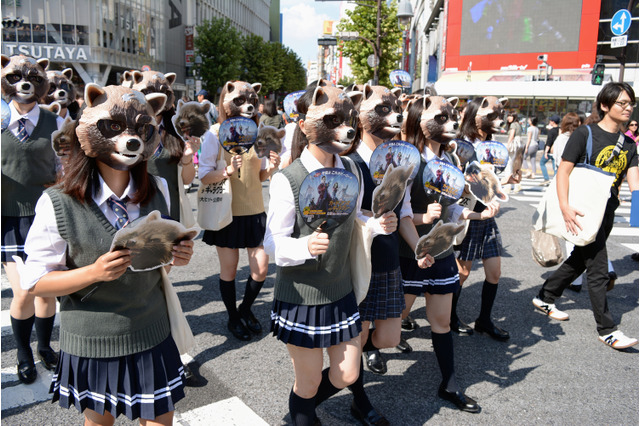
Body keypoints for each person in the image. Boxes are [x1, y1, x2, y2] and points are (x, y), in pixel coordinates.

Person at [19, 84, 195, 425]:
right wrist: (93, 273)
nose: (131, 139)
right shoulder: (58, 202)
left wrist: (175, 256)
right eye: (114, 127)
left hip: (151, 330)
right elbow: (36, 282)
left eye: (142, 129)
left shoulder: (157, 189)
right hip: (92, 340)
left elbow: (156, 267)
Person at [264, 85, 396, 425]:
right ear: (307, 126)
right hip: (302, 297)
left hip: (341, 289)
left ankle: (302, 409)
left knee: (347, 374)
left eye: (349, 120)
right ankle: (302, 411)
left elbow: (354, 219)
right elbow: (272, 242)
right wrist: (303, 247)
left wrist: (376, 223)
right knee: (307, 383)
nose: (347, 129)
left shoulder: (352, 170)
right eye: (333, 120)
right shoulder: (288, 179)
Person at [399, 96, 499, 414]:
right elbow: (394, 214)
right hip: (409, 251)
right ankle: (370, 349)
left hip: (440, 251)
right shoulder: (407, 159)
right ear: (419, 120)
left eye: (452, 117)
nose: (451, 123)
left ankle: (450, 384)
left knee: (441, 322)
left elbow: (456, 208)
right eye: (441, 117)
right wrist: (420, 235)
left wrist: (476, 215)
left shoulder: (452, 161)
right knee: (392, 325)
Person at [532, 82, 639, 350]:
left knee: (579, 259)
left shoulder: (629, 143)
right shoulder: (585, 134)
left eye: (631, 104)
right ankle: (607, 329)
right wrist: (565, 207)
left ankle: (546, 296)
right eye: (622, 103)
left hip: (607, 212)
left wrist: (637, 212)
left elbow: (633, 179)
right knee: (598, 268)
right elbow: (564, 172)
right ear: (605, 106)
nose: (628, 109)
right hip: (581, 211)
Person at [342, 85, 408, 423]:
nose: (394, 114)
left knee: (389, 336)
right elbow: (343, 214)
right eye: (382, 108)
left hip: (389, 257)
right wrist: (372, 220)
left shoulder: (398, 159)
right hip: (361, 259)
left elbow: (405, 211)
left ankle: (336, 381)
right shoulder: (350, 161)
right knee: (361, 334)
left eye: (395, 107)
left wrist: (420, 247)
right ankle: (359, 399)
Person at [200, 81, 281, 341]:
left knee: (261, 268)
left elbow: (258, 174)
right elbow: (203, 176)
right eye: (239, 99)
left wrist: (271, 168)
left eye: (251, 99)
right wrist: (226, 171)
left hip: (255, 209)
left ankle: (244, 309)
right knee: (230, 270)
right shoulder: (214, 133)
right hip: (227, 211)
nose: (247, 104)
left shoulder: (257, 131)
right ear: (227, 98)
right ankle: (233, 318)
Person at [2, 55, 64, 384]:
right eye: (13, 76)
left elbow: (65, 165)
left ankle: (44, 347)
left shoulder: (54, 121)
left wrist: (63, 183)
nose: (23, 84)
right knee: (26, 289)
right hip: (9, 217)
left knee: (47, 290)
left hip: (47, 214)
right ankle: (23, 352)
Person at [452, 97, 510, 343]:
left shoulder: (493, 145)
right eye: (492, 114)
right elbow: (454, 185)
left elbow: (495, 178)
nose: (498, 119)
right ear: (476, 114)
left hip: (487, 215)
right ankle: (450, 316)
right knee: (462, 272)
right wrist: (472, 192)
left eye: (500, 114)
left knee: (494, 272)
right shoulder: (458, 145)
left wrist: (506, 183)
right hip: (468, 212)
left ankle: (484, 320)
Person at [502, 112, 524, 193]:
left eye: (510, 116)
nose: (508, 117)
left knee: (509, 164)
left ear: (514, 116)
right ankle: (517, 184)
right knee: (516, 165)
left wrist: (508, 145)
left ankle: (508, 185)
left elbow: (511, 135)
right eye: (508, 116)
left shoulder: (513, 125)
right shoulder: (518, 124)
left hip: (514, 144)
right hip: (519, 144)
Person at [540, 115, 560, 184]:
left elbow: (549, 142)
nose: (549, 122)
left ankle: (546, 178)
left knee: (542, 163)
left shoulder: (552, 131)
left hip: (550, 151)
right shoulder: (560, 130)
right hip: (557, 151)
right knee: (555, 167)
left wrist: (545, 152)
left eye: (551, 120)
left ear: (553, 122)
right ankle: (556, 181)